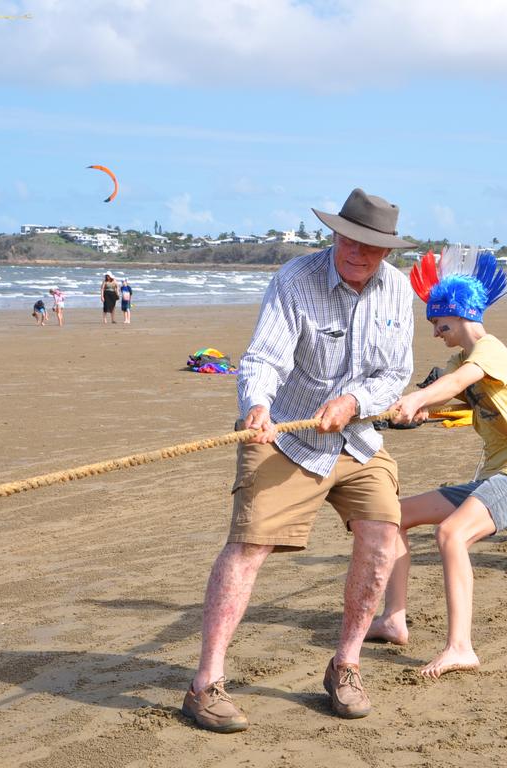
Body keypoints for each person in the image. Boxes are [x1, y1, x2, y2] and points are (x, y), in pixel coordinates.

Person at [183, 188, 415, 733]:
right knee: (247, 548)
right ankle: (204, 685)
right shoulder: (295, 280)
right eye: (351, 238)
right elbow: (264, 357)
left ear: (387, 251)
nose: (358, 251)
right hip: (284, 438)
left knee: (382, 537)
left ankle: (346, 665)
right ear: (335, 233)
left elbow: (395, 373)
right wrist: (257, 407)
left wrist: (353, 402)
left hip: (357, 441)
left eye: (372, 245)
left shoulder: (399, 289)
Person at [366, 254, 507, 678]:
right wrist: (409, 410)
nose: (436, 333)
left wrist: (419, 399)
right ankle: (394, 619)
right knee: (395, 517)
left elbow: (457, 383)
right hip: (491, 477)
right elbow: (449, 395)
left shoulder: (491, 350)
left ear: (463, 315)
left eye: (441, 325)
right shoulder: (460, 362)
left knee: (451, 533)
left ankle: (461, 647)